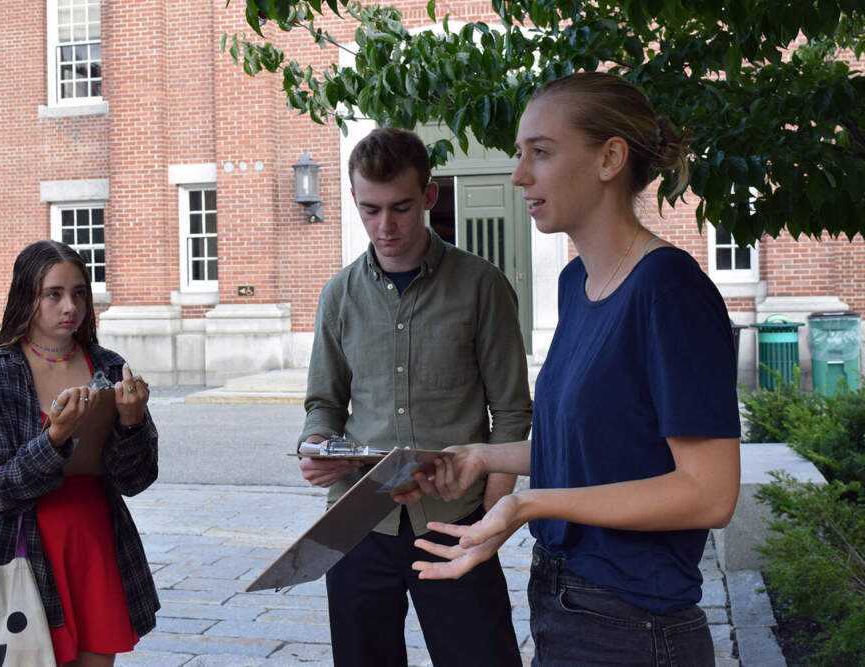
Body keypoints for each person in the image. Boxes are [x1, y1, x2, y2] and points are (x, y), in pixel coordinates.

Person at [397, 71, 742, 666]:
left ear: (610, 158)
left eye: (541, 152)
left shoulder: (669, 292)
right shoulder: (575, 283)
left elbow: (708, 493)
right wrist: (482, 456)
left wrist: (533, 503)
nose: (518, 175)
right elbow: (593, 448)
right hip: (562, 605)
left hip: (636, 626)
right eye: (519, 154)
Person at [299, 127, 534, 666]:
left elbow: (513, 411)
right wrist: (316, 444)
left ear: (429, 196)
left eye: (401, 208)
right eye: (370, 209)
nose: (386, 227)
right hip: (357, 522)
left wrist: (491, 516)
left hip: (456, 520)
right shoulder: (338, 294)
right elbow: (324, 404)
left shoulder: (482, 285)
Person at [0, 240, 159, 667]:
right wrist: (53, 441)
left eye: (79, 293)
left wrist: (132, 422)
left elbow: (137, 480)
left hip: (96, 539)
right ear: (26, 296)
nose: (70, 305)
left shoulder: (108, 366)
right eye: (54, 293)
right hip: (28, 545)